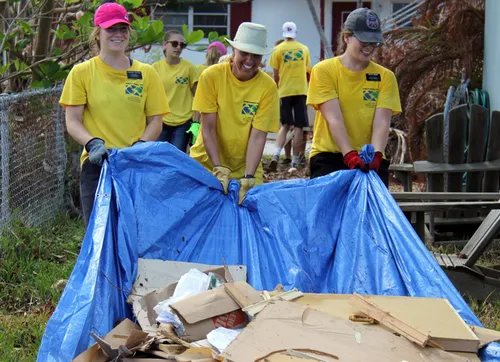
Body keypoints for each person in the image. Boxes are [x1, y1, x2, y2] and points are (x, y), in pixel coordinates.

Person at [60, 2, 170, 229]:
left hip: (135, 163)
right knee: (98, 231)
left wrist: (138, 148)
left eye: (123, 28)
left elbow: (155, 121)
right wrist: (93, 143)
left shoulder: (146, 73)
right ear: (97, 33)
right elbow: (73, 121)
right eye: (111, 29)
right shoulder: (82, 73)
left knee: (133, 230)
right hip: (97, 163)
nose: (118, 34)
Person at [306, 8, 402, 186]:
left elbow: (381, 122)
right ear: (346, 37)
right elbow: (334, 118)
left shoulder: (385, 77)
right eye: (363, 40)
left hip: (369, 157)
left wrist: (376, 155)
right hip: (330, 155)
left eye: (373, 42)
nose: (369, 47)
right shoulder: (324, 70)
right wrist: (349, 155)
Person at [190, 22, 279, 204]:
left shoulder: (268, 86)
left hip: (246, 166)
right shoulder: (211, 76)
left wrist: (249, 177)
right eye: (244, 53)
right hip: (207, 162)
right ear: (233, 50)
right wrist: (218, 168)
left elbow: (257, 136)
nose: (249, 60)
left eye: (255, 55)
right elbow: (208, 128)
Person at [268, 22, 311, 172]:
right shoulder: (304, 49)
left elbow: (276, 74)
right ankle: (294, 162)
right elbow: (306, 68)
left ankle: (275, 154)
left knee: (285, 125)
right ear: (295, 32)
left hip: (284, 91)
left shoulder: (277, 50)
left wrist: (277, 88)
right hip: (301, 91)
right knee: (299, 126)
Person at [153, 30, 199, 152]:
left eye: (182, 45)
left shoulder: (189, 68)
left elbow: (199, 97)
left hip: (183, 122)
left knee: (176, 156)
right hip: (161, 121)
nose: (178, 47)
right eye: (174, 43)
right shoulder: (155, 68)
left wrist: (197, 123)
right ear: (164, 45)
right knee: (158, 156)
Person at [193, 41, 227, 129]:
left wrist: (195, 121)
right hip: (220, 115)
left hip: (201, 114)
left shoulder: (199, 68)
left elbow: (197, 95)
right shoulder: (224, 72)